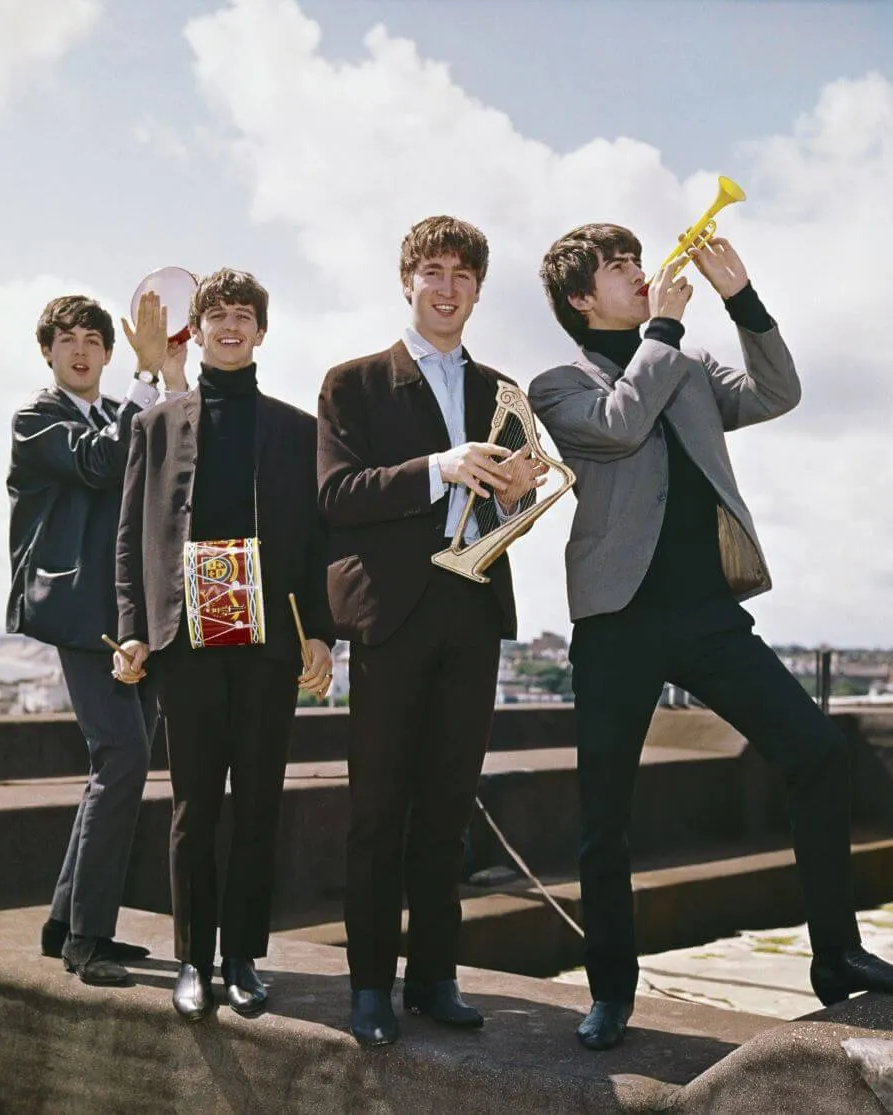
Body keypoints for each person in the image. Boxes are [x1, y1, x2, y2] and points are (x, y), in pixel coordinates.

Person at [528, 225, 893, 1051]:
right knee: (602, 816)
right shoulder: (557, 384)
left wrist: (742, 300)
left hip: (706, 611)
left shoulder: (683, 364)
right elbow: (618, 426)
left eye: (636, 261)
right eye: (620, 269)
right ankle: (611, 990)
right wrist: (664, 332)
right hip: (616, 619)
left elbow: (775, 392)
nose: (642, 273)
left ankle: (838, 957)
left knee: (817, 751)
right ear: (582, 300)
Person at [317, 215, 545, 1047]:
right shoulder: (352, 383)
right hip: (393, 619)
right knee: (377, 812)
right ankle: (370, 984)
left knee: (448, 811)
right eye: (433, 271)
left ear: (479, 289)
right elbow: (337, 496)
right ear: (407, 280)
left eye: (463, 275)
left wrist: (519, 493)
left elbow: (513, 507)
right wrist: (434, 470)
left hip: (473, 612)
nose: (447, 287)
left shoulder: (501, 388)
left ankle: (435, 978)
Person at [113, 268, 333, 1022]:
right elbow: (129, 536)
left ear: (262, 332)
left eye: (245, 316)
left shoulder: (298, 429)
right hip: (187, 642)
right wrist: (135, 626)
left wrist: (323, 636)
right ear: (196, 330)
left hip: (269, 642)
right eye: (218, 315)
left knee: (259, 807)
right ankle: (191, 961)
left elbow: (316, 543)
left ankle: (242, 959)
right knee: (193, 807)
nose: (231, 327)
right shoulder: (155, 424)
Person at [7, 291, 182, 985]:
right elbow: (101, 464)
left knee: (115, 765)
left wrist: (170, 376)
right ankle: (88, 938)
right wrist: (144, 379)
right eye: (66, 338)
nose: (80, 349)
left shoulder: (122, 412)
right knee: (123, 757)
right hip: (81, 612)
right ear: (47, 351)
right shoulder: (35, 419)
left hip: (131, 614)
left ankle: (62, 923)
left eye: (93, 339)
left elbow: (173, 461)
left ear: (107, 352)